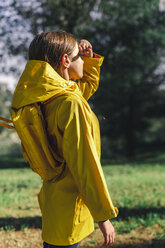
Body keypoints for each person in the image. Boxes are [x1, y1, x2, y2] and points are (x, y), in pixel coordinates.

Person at [10, 31, 118, 248]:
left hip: (55, 202)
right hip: (71, 205)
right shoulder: (69, 102)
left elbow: (85, 88)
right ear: (65, 60)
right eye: (79, 55)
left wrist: (88, 60)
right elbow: (84, 163)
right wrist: (103, 216)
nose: (82, 58)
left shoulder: (48, 98)